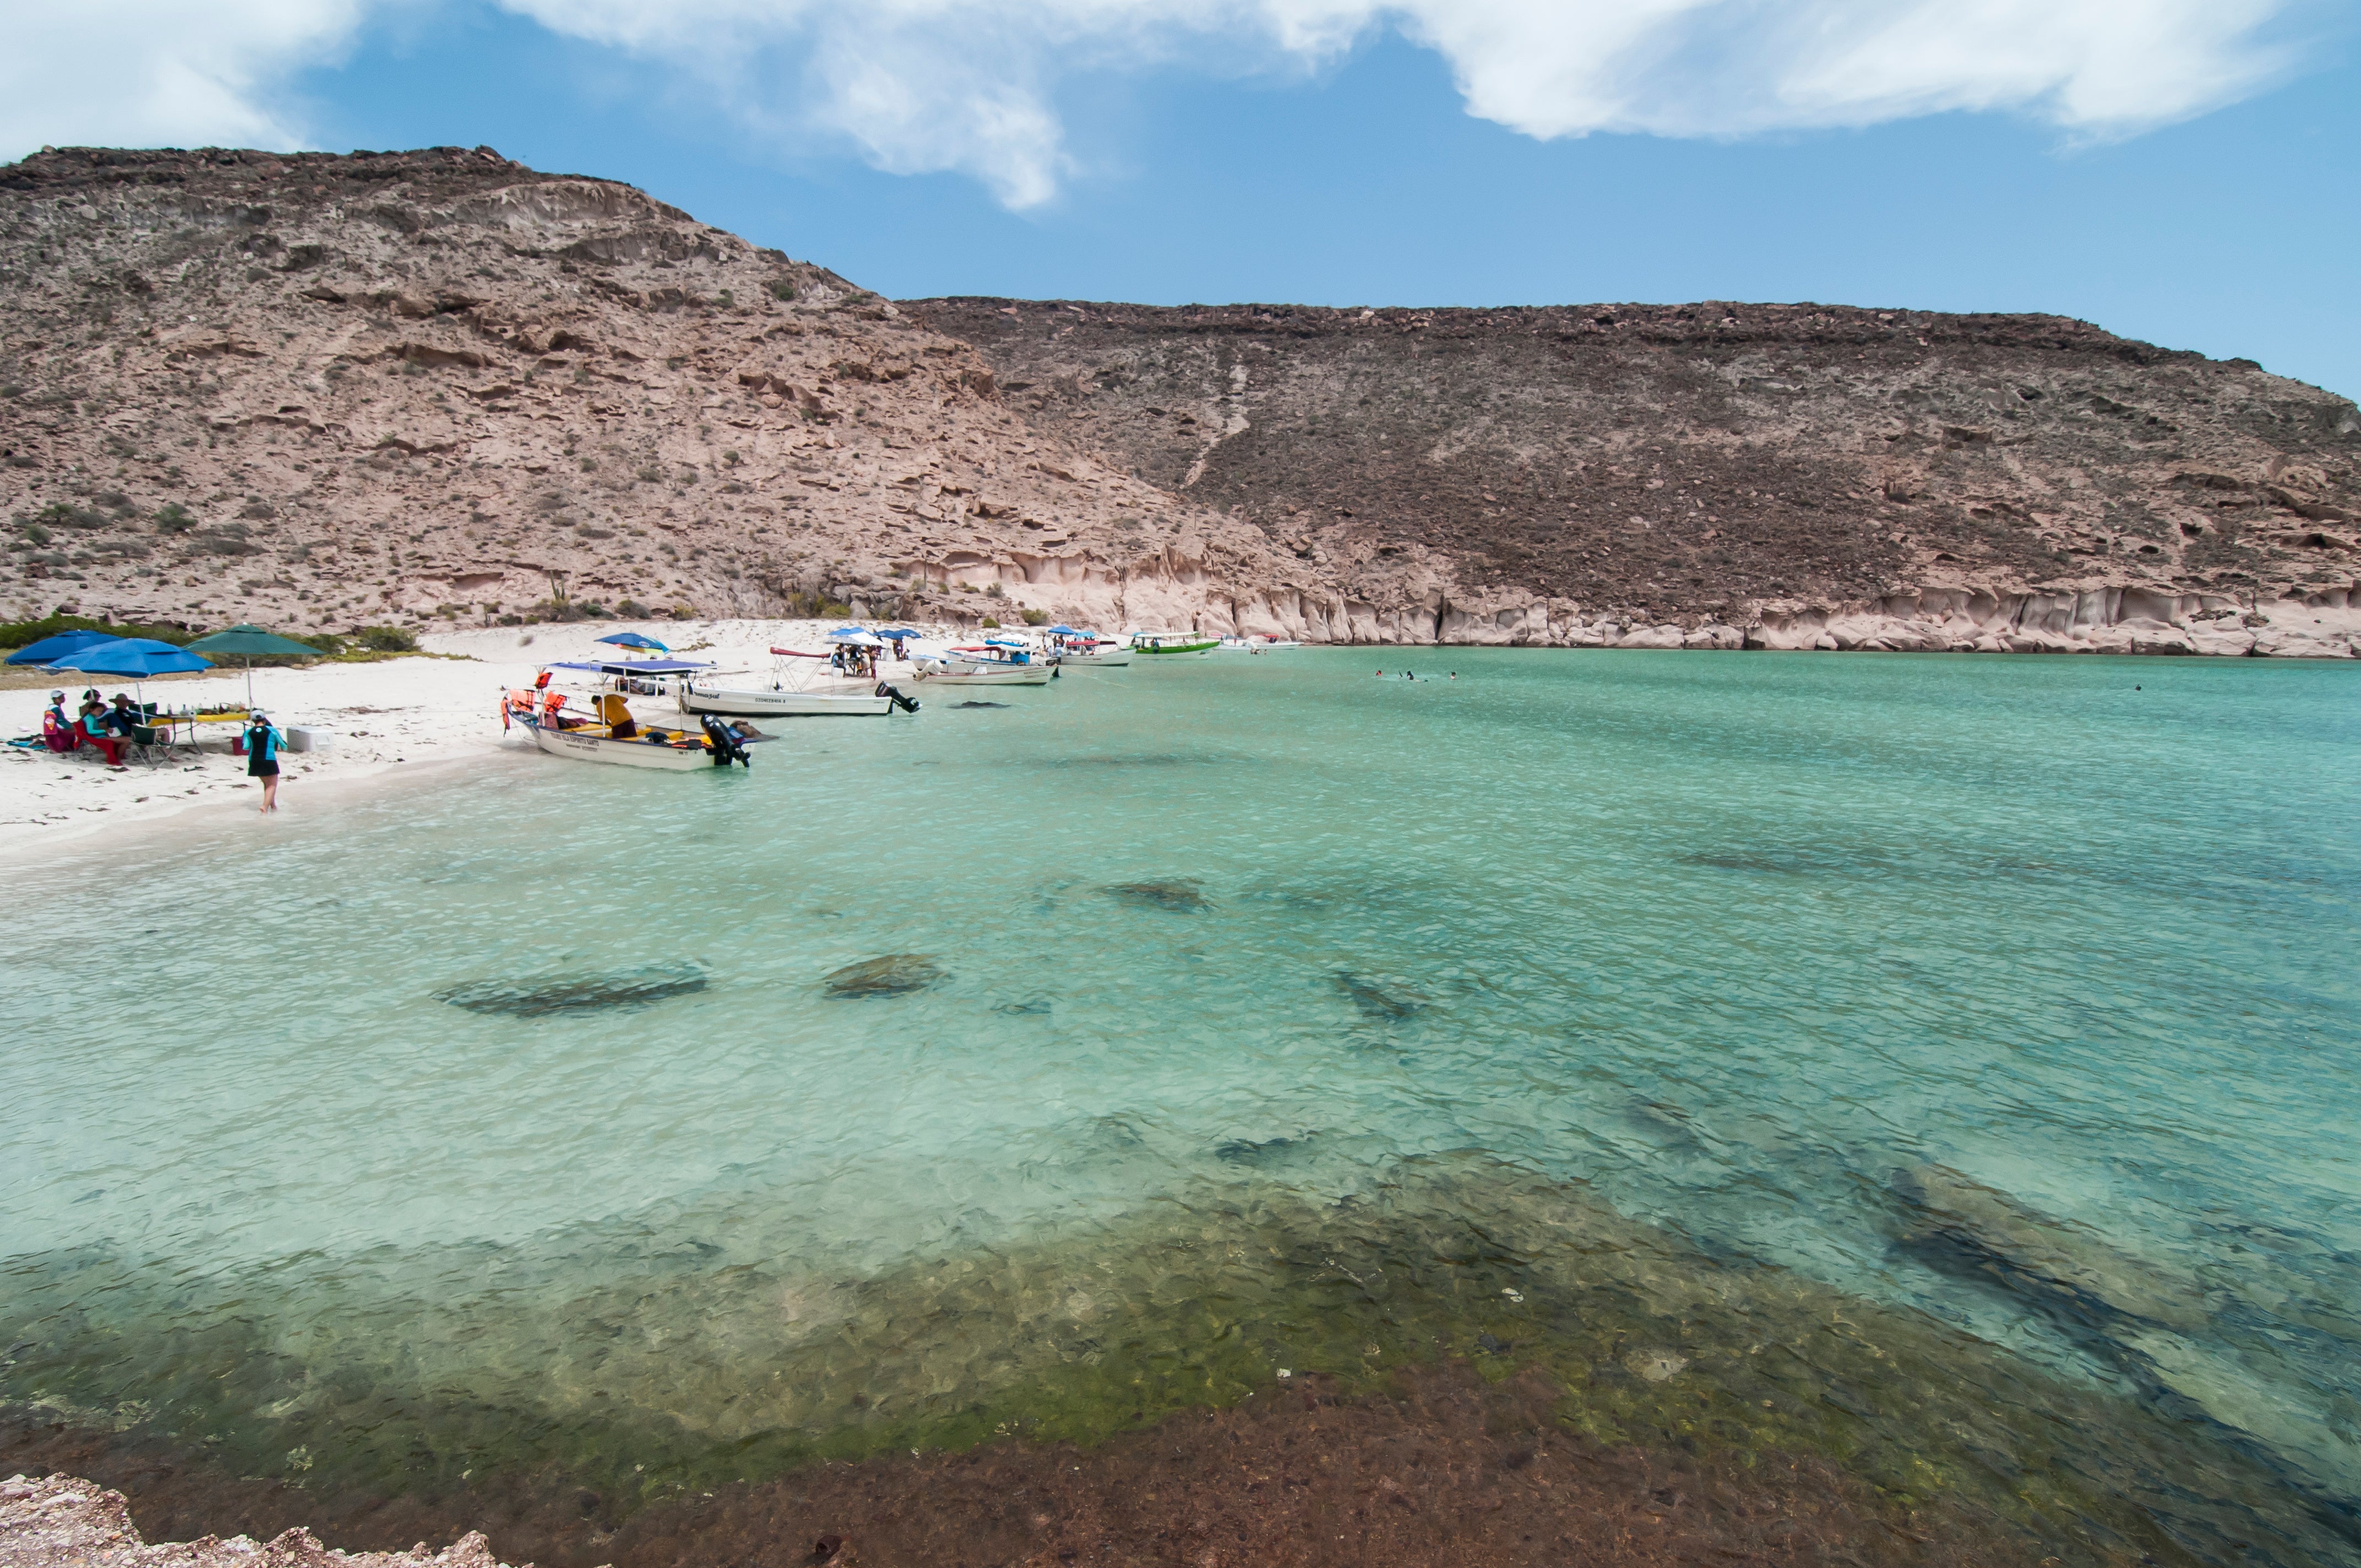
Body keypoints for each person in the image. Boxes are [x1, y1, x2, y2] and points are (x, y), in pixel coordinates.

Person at [244, 709, 287, 812]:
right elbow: (284, 746)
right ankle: (264, 807)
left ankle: (273, 806)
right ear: (264, 719)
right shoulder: (272, 730)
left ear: (253, 720)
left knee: (267, 784)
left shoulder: (248, 732)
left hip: (254, 760)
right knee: (272, 784)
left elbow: (245, 747)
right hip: (269, 760)